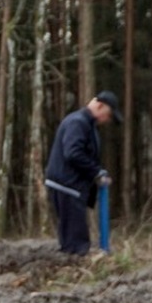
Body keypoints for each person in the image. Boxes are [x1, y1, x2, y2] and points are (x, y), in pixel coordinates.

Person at [44, 91, 118, 255]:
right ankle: (75, 263)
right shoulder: (78, 122)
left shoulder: (85, 123)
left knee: (73, 236)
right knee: (76, 241)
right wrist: (96, 172)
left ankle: (73, 259)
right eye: (108, 115)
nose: (107, 120)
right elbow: (73, 153)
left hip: (70, 186)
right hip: (67, 186)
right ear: (100, 106)